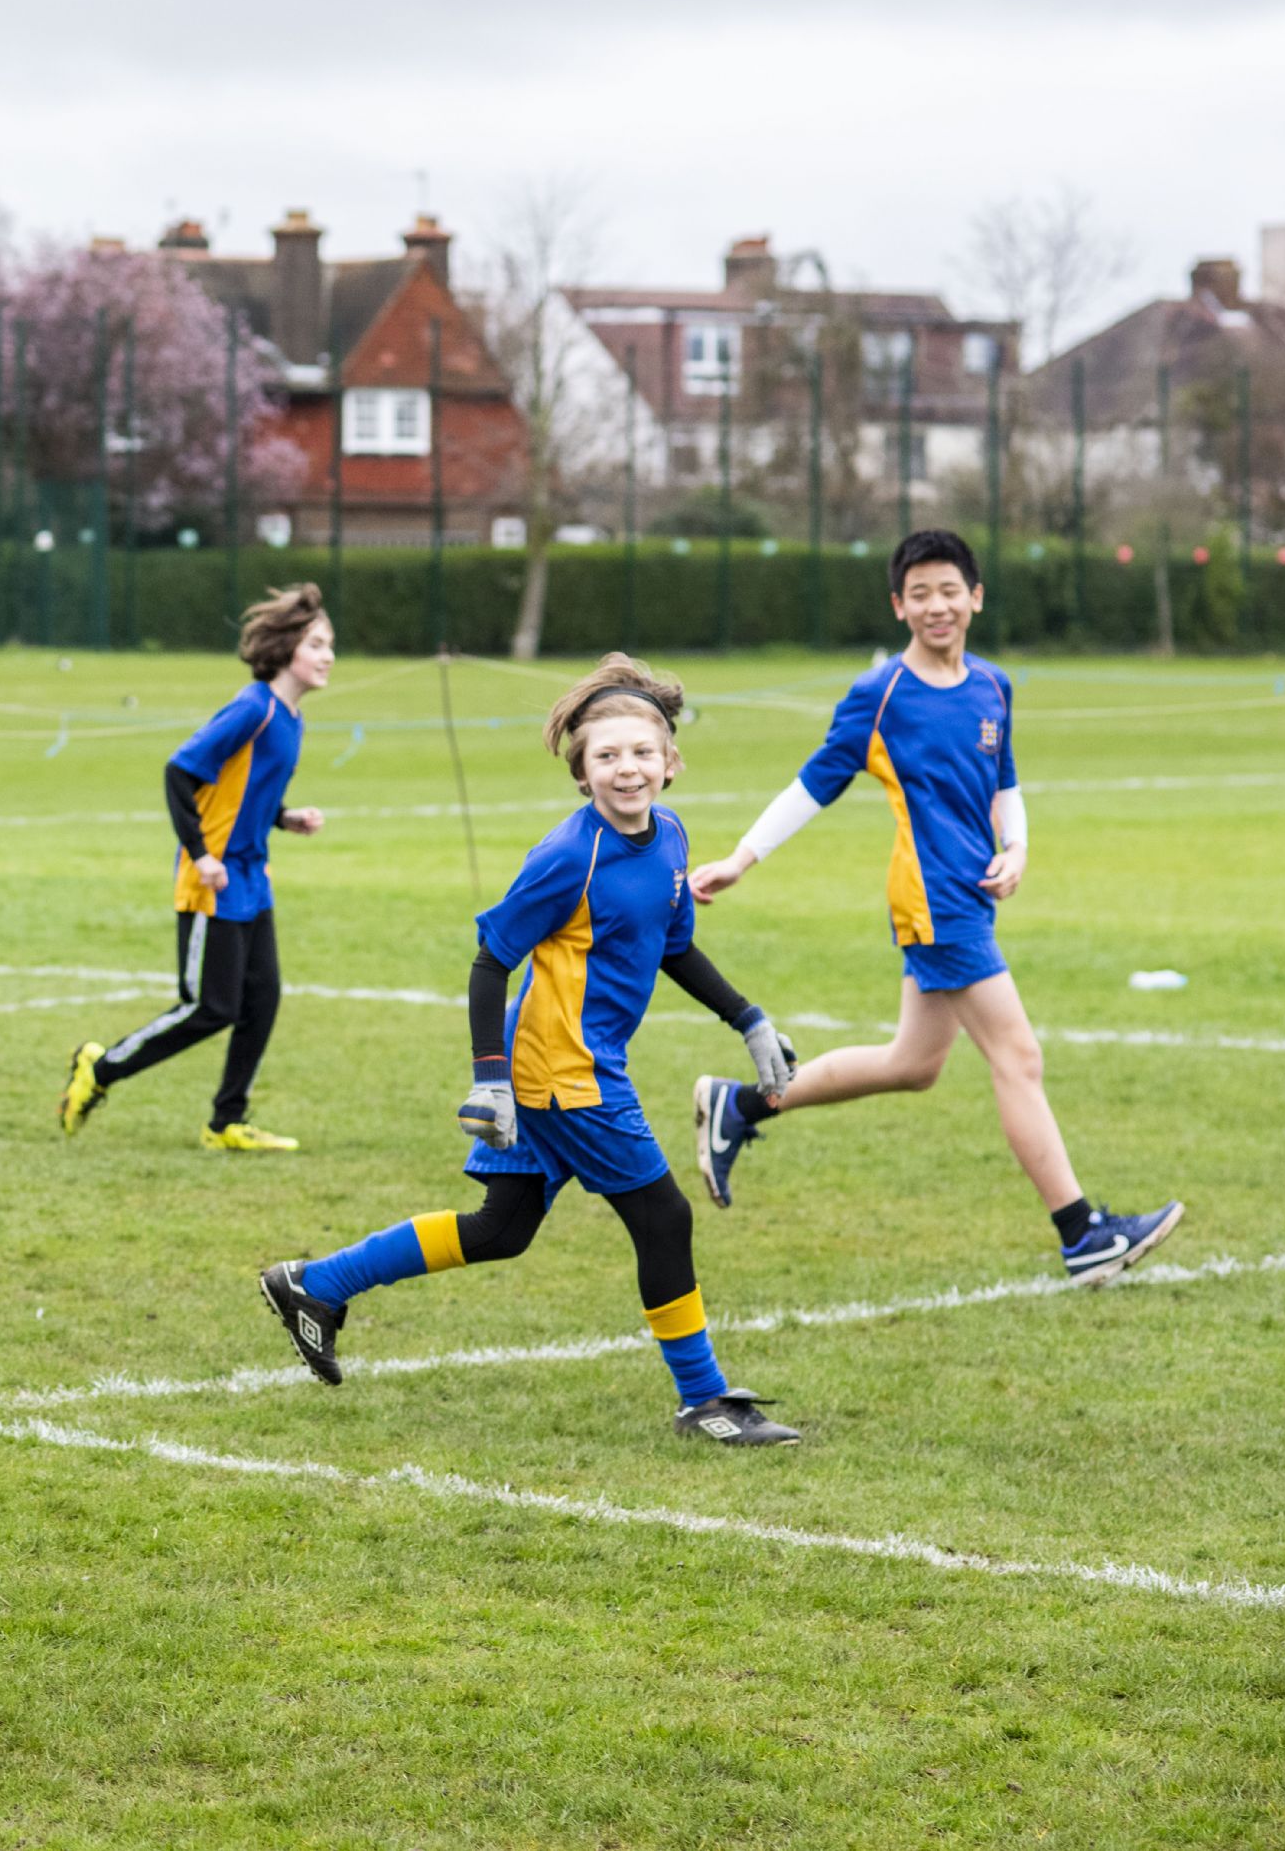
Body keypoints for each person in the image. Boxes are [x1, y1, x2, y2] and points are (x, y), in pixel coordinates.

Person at [261, 654, 803, 1445]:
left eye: (641, 753)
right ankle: (706, 1400)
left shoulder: (673, 836)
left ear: (671, 762)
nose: (626, 768)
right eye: (606, 756)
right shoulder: (566, 856)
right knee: (662, 1216)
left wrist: (747, 1019)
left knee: (502, 1228)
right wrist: (490, 1083)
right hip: (560, 1070)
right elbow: (490, 959)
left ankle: (314, 1283)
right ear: (580, 772)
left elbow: (671, 945)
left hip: (572, 1064)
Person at [685, 529, 1181, 1285]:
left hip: (970, 900)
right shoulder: (879, 695)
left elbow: (1003, 780)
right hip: (931, 904)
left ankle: (741, 1106)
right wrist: (740, 858)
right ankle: (1081, 1234)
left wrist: (1016, 848)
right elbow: (815, 782)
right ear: (898, 607)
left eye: (949, 590)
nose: (936, 605)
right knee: (1018, 1058)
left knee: (912, 1064)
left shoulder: (992, 685)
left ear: (974, 597)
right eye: (918, 594)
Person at [58, 583, 330, 1151]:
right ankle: (99, 1069)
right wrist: (202, 856)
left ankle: (226, 1122)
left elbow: (242, 795)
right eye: (318, 644)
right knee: (211, 1007)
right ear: (284, 649)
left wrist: (285, 817)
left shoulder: (291, 717)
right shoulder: (253, 708)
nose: (329, 656)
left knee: (263, 999)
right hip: (213, 879)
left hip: (253, 878)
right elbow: (181, 773)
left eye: (330, 645)